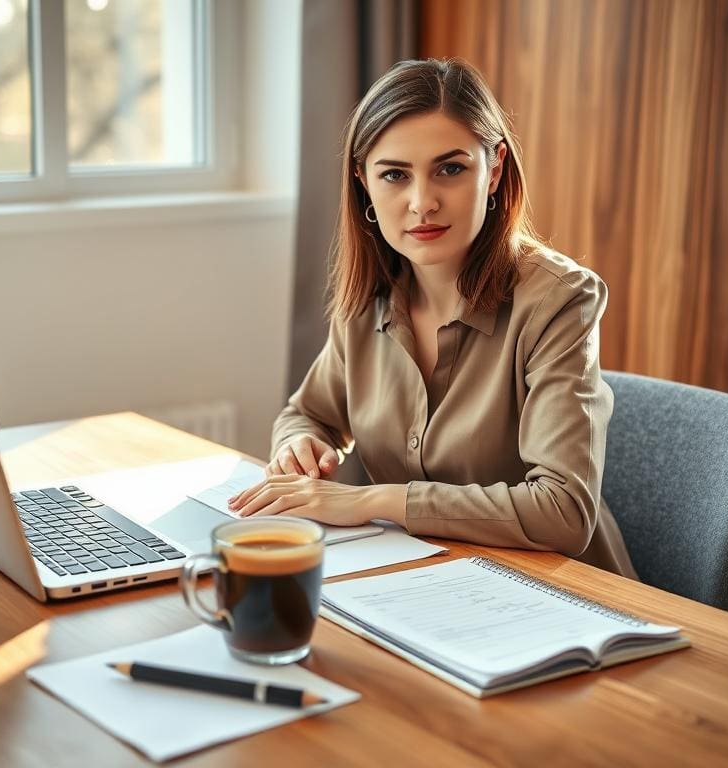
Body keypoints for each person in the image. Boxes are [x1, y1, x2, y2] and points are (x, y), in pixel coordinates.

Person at [228, 58, 637, 578]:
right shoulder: (368, 297)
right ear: (364, 183)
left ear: (496, 171)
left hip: (561, 593)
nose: (422, 203)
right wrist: (298, 449)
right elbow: (308, 415)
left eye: (451, 169)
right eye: (395, 175)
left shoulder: (559, 301)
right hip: (429, 579)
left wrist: (371, 502)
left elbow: (563, 512)